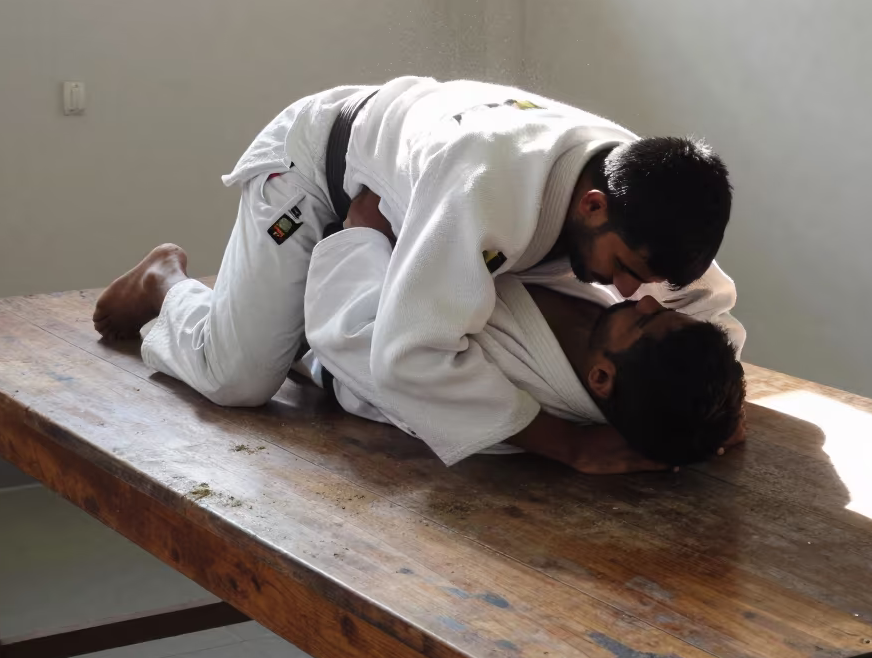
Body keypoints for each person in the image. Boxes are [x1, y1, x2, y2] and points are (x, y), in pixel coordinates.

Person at [93, 76, 742, 472]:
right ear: (592, 206)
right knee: (237, 378)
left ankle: (278, 318)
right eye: (624, 271)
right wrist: (568, 448)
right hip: (316, 172)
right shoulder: (488, 192)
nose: (630, 294)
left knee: (312, 321)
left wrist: (708, 413)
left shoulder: (647, 191)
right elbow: (406, 357)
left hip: (406, 200)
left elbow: (707, 305)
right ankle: (168, 285)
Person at [300, 190, 746, 472]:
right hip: (413, 251)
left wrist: (359, 236)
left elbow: (357, 338)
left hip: (330, 301)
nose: (646, 300)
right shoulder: (637, 363)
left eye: (644, 319)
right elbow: (710, 303)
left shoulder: (509, 406)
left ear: (601, 378)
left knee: (231, 376)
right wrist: (712, 414)